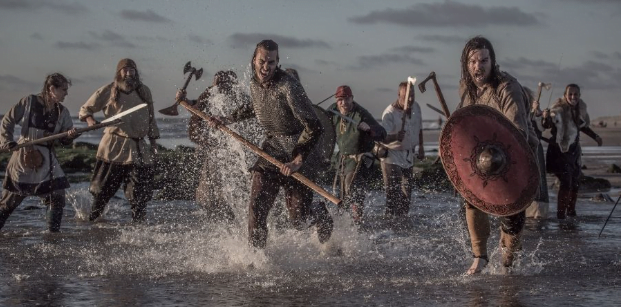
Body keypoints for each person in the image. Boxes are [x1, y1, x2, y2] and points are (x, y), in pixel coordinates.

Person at [215, 40, 333, 248]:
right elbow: (255, 105)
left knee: (299, 220)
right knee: (257, 206)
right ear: (254, 60)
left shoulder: (289, 86)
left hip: (300, 150)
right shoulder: (254, 83)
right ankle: (256, 258)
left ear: (277, 62)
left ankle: (320, 213)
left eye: (271, 62)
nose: (265, 67)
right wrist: (228, 119)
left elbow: (315, 126)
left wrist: (298, 160)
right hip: (274, 148)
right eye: (262, 61)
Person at [458, 36, 539, 274]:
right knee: (472, 200)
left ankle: (508, 263)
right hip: (480, 158)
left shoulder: (507, 87)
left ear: (492, 61)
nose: (478, 66)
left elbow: (518, 132)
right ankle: (480, 257)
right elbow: (464, 123)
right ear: (466, 63)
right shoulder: (466, 87)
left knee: (512, 214)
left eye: (484, 60)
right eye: (473, 61)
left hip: (515, 157)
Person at [79, 58, 160, 222]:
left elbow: (151, 119)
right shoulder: (108, 90)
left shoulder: (144, 91)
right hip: (113, 147)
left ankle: (138, 227)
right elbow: (85, 109)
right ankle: (92, 222)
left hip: (138, 148)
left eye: (132, 70)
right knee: (102, 191)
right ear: (119, 72)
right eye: (125, 70)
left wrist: (153, 144)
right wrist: (90, 121)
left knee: (139, 193)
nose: (129, 73)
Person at [0, 73, 78, 232]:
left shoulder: (63, 112)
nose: (66, 94)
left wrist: (70, 136)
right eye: (63, 90)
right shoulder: (29, 102)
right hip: (23, 156)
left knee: (57, 196)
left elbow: (66, 138)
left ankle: (52, 235)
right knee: (9, 202)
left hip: (48, 159)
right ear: (51, 89)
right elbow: (7, 120)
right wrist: (7, 142)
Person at [176, 70, 250, 222]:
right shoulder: (210, 95)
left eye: (219, 83)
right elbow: (198, 109)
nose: (215, 86)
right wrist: (184, 101)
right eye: (215, 83)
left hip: (237, 155)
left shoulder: (241, 99)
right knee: (211, 196)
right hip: (213, 153)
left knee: (235, 192)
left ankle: (236, 222)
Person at [542, 84, 602, 220]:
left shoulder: (580, 109)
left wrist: (596, 137)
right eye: (570, 94)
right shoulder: (558, 110)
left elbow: (583, 126)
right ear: (565, 95)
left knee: (575, 182)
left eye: (575, 94)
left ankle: (571, 212)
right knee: (566, 182)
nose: (573, 97)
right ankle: (561, 215)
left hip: (574, 150)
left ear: (579, 96)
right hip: (560, 151)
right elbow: (548, 124)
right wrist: (546, 117)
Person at [327, 85, 386, 224]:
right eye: (340, 100)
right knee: (341, 195)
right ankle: (343, 224)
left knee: (353, 189)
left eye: (347, 99)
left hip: (359, 160)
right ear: (336, 100)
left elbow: (382, 132)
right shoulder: (333, 111)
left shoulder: (360, 113)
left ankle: (357, 221)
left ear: (352, 99)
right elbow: (321, 124)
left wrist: (369, 129)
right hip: (342, 159)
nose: (344, 103)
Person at [379, 81, 424, 222]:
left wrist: (421, 147)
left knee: (406, 194)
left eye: (412, 96)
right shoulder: (390, 113)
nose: (410, 100)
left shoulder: (416, 107)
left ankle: (403, 224)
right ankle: (390, 224)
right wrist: (395, 136)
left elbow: (419, 127)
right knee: (393, 194)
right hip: (392, 155)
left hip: (408, 155)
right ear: (399, 95)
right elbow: (382, 138)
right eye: (406, 97)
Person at [524, 87, 549, 219]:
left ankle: (537, 211)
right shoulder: (515, 112)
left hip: (534, 149)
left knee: (538, 178)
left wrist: (540, 113)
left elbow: (543, 126)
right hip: (520, 150)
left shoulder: (534, 114)